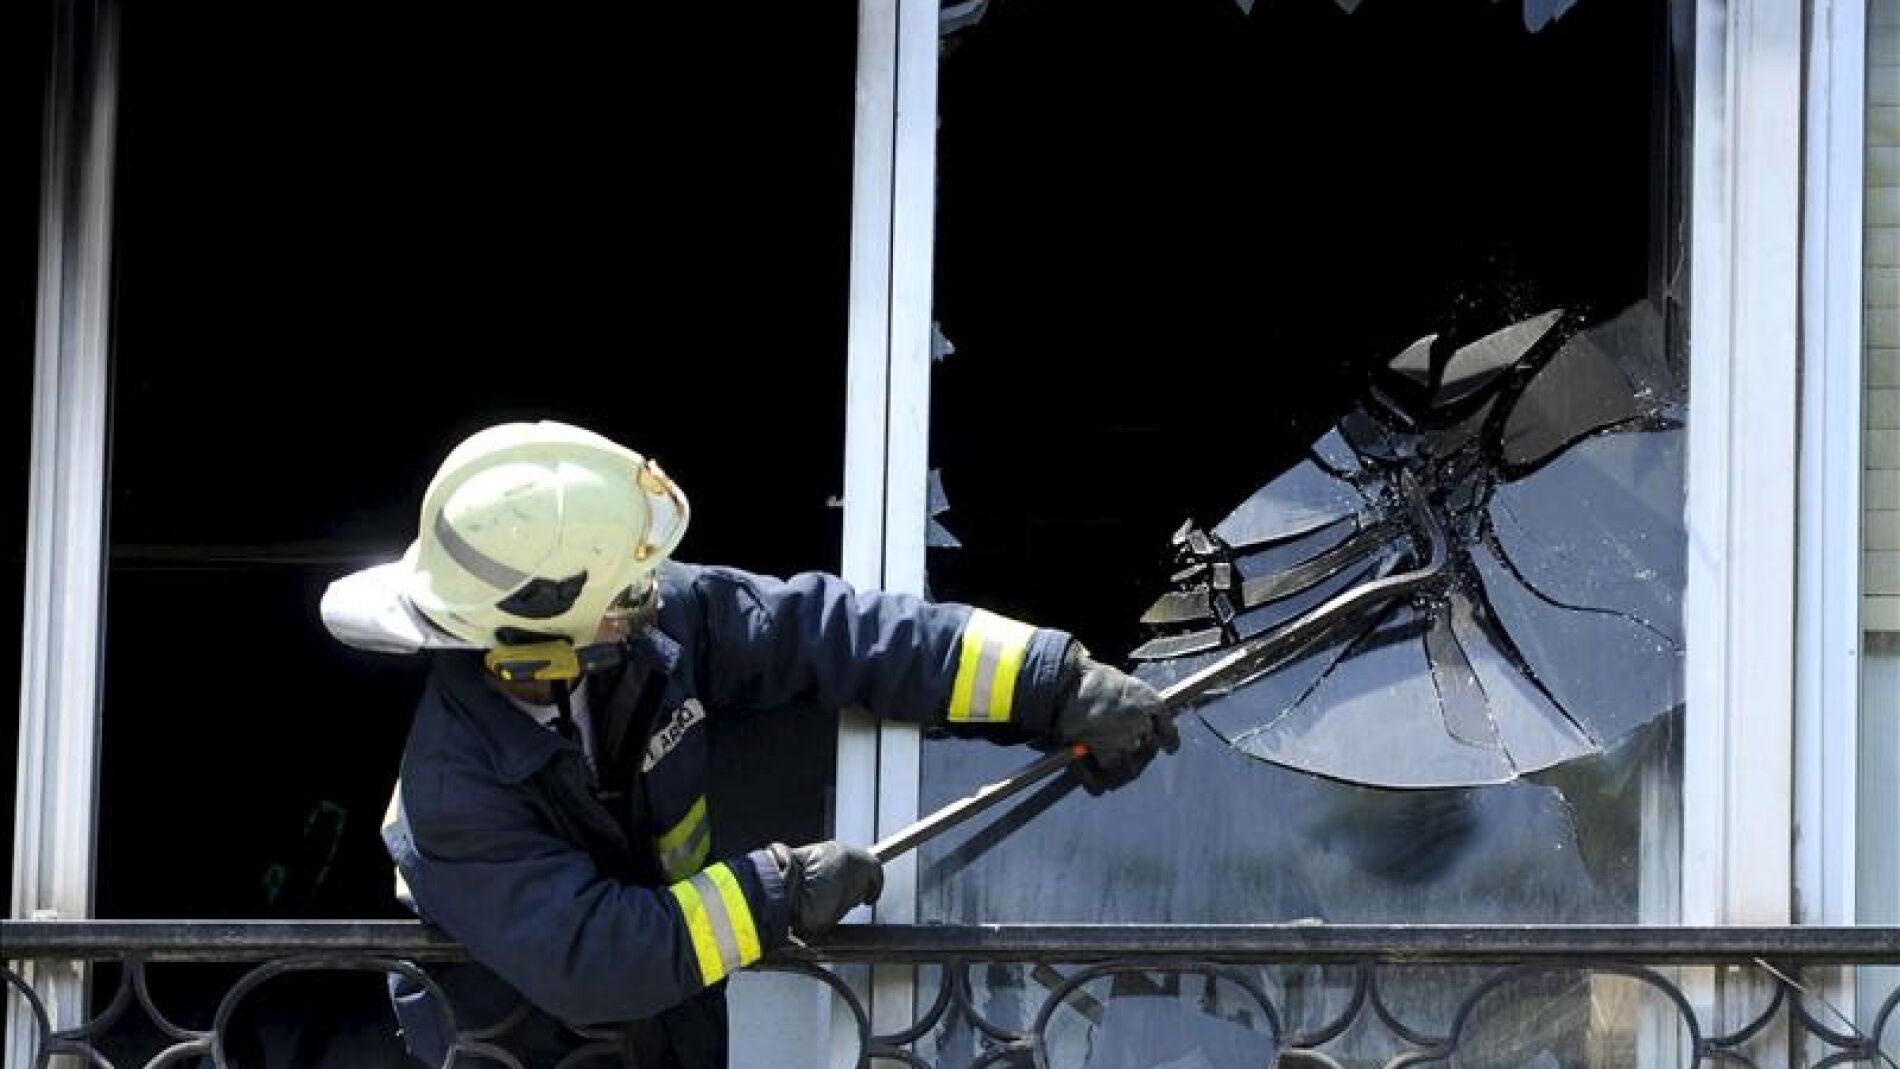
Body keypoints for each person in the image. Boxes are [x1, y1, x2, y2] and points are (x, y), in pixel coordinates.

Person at [320, 420, 1176, 1067]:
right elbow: (597, 954)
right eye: (626, 602)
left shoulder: (652, 617)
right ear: (530, 649)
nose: (652, 603)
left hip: (676, 1028)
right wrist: (783, 889)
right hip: (520, 1048)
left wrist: (1054, 684)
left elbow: (837, 634)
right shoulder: (451, 789)